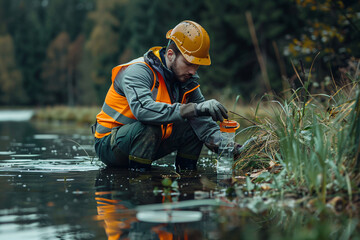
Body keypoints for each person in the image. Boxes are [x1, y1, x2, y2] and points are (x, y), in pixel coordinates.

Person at [92, 20, 237, 172]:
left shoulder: (187, 81)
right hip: (109, 144)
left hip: (147, 140)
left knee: (194, 125)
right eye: (188, 63)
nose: (193, 71)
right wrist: (193, 109)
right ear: (170, 55)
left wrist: (233, 148)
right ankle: (140, 180)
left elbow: (205, 127)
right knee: (151, 126)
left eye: (197, 65)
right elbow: (143, 111)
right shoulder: (138, 71)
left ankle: (187, 179)